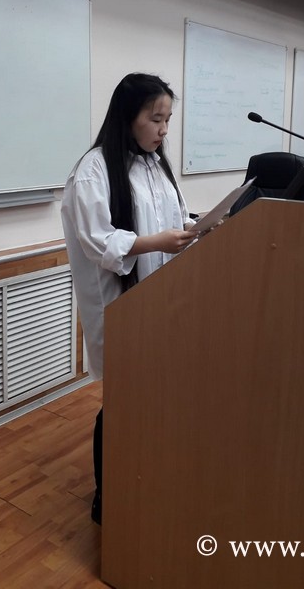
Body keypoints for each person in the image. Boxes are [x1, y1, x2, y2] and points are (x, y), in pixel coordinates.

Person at [61, 72, 198, 525]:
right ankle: (109, 493)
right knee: (121, 400)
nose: (163, 130)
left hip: (160, 299)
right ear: (128, 116)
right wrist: (158, 241)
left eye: (168, 119)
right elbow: (98, 241)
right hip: (121, 305)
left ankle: (146, 474)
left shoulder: (155, 165)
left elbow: (175, 218)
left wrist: (197, 229)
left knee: (152, 393)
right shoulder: (94, 169)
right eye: (156, 119)